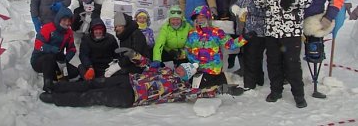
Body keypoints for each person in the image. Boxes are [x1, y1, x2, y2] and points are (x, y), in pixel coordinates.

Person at [38, 49, 237, 108]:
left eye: (185, 73)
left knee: (92, 96)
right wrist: (133, 54)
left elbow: (199, 92)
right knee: (91, 83)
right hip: (126, 80)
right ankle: (57, 87)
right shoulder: (166, 71)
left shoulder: (181, 89)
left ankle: (55, 98)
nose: (180, 72)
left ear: (187, 77)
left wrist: (223, 89)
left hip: (131, 97)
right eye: (181, 69)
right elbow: (146, 64)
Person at [252, 0, 312, 108]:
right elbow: (261, 4)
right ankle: (276, 91)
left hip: (290, 31)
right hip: (271, 31)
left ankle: (299, 95)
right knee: (273, 63)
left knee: (292, 64)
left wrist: (293, 1)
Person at [297, 0, 344, 98]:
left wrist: (329, 17)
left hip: (314, 21)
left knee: (314, 53)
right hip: (294, 20)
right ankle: (294, 77)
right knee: (291, 51)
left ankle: (315, 81)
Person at [185, 5, 254, 89]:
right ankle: (220, 87)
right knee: (195, 84)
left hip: (213, 68)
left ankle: (222, 87)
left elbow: (230, 44)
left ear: (208, 18)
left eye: (203, 17)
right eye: (198, 18)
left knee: (206, 84)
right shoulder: (192, 33)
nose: (200, 20)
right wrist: (194, 63)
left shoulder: (216, 32)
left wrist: (244, 38)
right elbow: (188, 50)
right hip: (198, 68)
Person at [230, 0, 266, 89]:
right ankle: (256, 80)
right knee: (249, 57)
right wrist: (235, 9)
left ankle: (251, 83)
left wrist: (248, 10)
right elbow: (234, 5)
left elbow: (264, 11)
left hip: (258, 32)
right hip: (246, 32)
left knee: (253, 58)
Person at [30, 7, 78, 93]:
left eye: (69, 21)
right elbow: (38, 44)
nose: (67, 23)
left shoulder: (69, 32)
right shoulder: (48, 28)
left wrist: (66, 59)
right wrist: (51, 49)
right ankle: (48, 85)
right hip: (39, 60)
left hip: (56, 60)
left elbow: (72, 48)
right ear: (59, 19)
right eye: (64, 20)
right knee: (49, 58)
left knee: (74, 72)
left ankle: (61, 80)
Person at [223, 0, 252, 72]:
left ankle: (251, 69)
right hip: (234, 17)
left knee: (250, 44)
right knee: (238, 42)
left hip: (250, 18)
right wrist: (226, 12)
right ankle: (242, 67)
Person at [104, 12, 151, 77]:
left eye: (120, 26)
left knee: (116, 75)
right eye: (116, 26)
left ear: (126, 25)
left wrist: (118, 65)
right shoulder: (123, 35)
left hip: (141, 66)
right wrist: (117, 62)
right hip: (129, 64)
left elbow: (135, 54)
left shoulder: (136, 34)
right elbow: (124, 55)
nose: (117, 28)